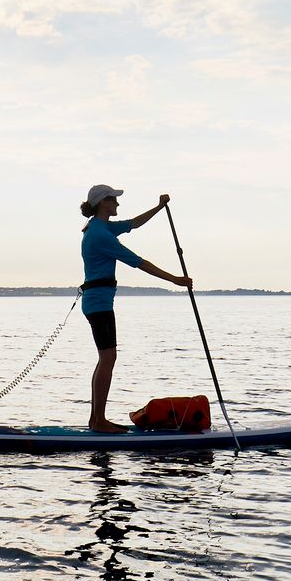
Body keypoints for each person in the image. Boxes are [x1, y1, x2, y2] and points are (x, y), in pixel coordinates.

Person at [77, 184, 191, 433]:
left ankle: (96, 419)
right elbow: (139, 262)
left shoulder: (100, 227)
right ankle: (98, 421)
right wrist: (175, 280)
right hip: (99, 304)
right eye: (114, 200)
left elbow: (134, 224)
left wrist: (159, 208)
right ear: (103, 203)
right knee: (108, 358)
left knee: (105, 358)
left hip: (97, 302)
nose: (118, 204)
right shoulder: (100, 234)